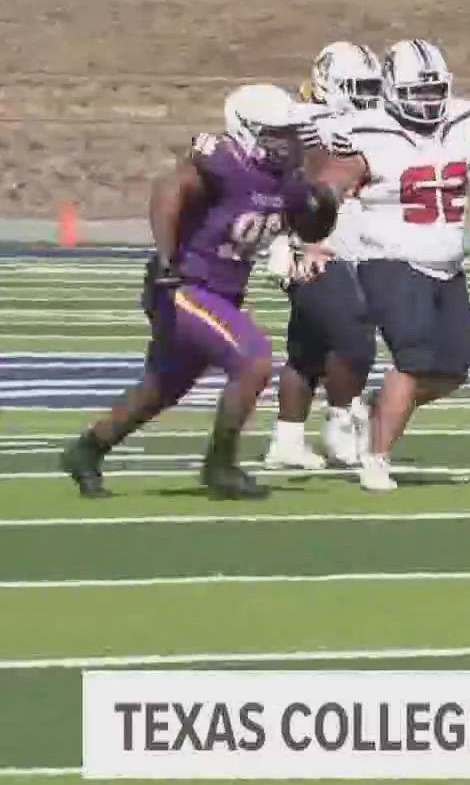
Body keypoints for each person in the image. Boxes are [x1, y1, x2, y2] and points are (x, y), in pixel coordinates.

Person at [60, 84, 338, 500]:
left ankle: (87, 449)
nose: (289, 142)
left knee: (164, 385)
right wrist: (168, 258)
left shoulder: (285, 179)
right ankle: (220, 465)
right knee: (252, 358)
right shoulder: (222, 162)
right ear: (248, 131)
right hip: (186, 284)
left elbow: (309, 227)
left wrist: (324, 211)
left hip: (222, 291)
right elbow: (168, 193)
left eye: (290, 132)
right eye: (278, 133)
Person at [305, 39, 470, 492]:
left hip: (447, 263)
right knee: (413, 358)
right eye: (418, 92)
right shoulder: (366, 132)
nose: (428, 100)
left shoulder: (463, 121)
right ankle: (375, 459)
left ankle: (382, 410)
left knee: (455, 366)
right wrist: (315, 233)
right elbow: (330, 185)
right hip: (390, 259)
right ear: (393, 90)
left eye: (435, 90)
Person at [262, 40, 382, 471]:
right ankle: (341, 419)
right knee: (353, 338)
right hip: (315, 246)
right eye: (357, 86)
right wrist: (281, 240)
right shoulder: (305, 122)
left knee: (307, 348)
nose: (367, 95)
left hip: (349, 243)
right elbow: (281, 184)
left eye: (372, 85)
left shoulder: (367, 122)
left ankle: (287, 439)